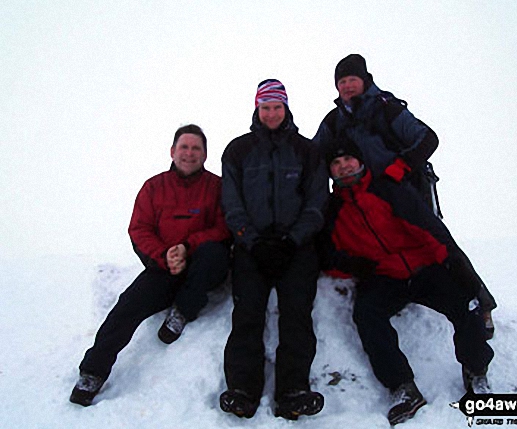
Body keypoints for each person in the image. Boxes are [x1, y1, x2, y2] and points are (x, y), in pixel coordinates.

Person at [313, 53, 497, 338]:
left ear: (364, 80)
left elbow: (427, 138)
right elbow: (314, 155)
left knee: (436, 239)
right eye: (342, 82)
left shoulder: (386, 108)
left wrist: (401, 167)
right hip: (360, 193)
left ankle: (479, 300)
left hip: (403, 188)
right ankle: (399, 288)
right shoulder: (334, 120)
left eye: (352, 79)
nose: (347, 86)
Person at [317, 138, 494, 426]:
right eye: (336, 164)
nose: (343, 166)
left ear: (361, 162)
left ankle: (476, 371)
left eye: (348, 160)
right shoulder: (333, 209)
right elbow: (328, 254)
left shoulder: (389, 189)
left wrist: (452, 263)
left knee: (465, 302)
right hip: (383, 275)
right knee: (367, 315)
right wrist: (354, 265)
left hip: (423, 268)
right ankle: (402, 387)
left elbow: (428, 227)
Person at [69, 124, 231, 406]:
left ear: (205, 155)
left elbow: (223, 227)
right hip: (163, 268)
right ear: (172, 151)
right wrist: (164, 255)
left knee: (214, 255)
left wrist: (188, 246)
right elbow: (139, 229)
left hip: (202, 266)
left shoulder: (216, 187)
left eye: (196, 148)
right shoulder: (153, 187)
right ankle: (92, 372)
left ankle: (183, 311)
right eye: (184, 147)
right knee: (126, 307)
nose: (189, 153)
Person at [219, 79, 328, 420]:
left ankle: (292, 390)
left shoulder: (307, 151)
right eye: (265, 107)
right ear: (256, 108)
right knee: (248, 313)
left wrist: (293, 239)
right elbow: (231, 204)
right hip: (252, 248)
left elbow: (317, 202)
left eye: (276, 107)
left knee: (296, 313)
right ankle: (242, 389)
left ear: (286, 108)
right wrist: (250, 240)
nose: (271, 113)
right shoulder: (237, 150)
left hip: (296, 247)